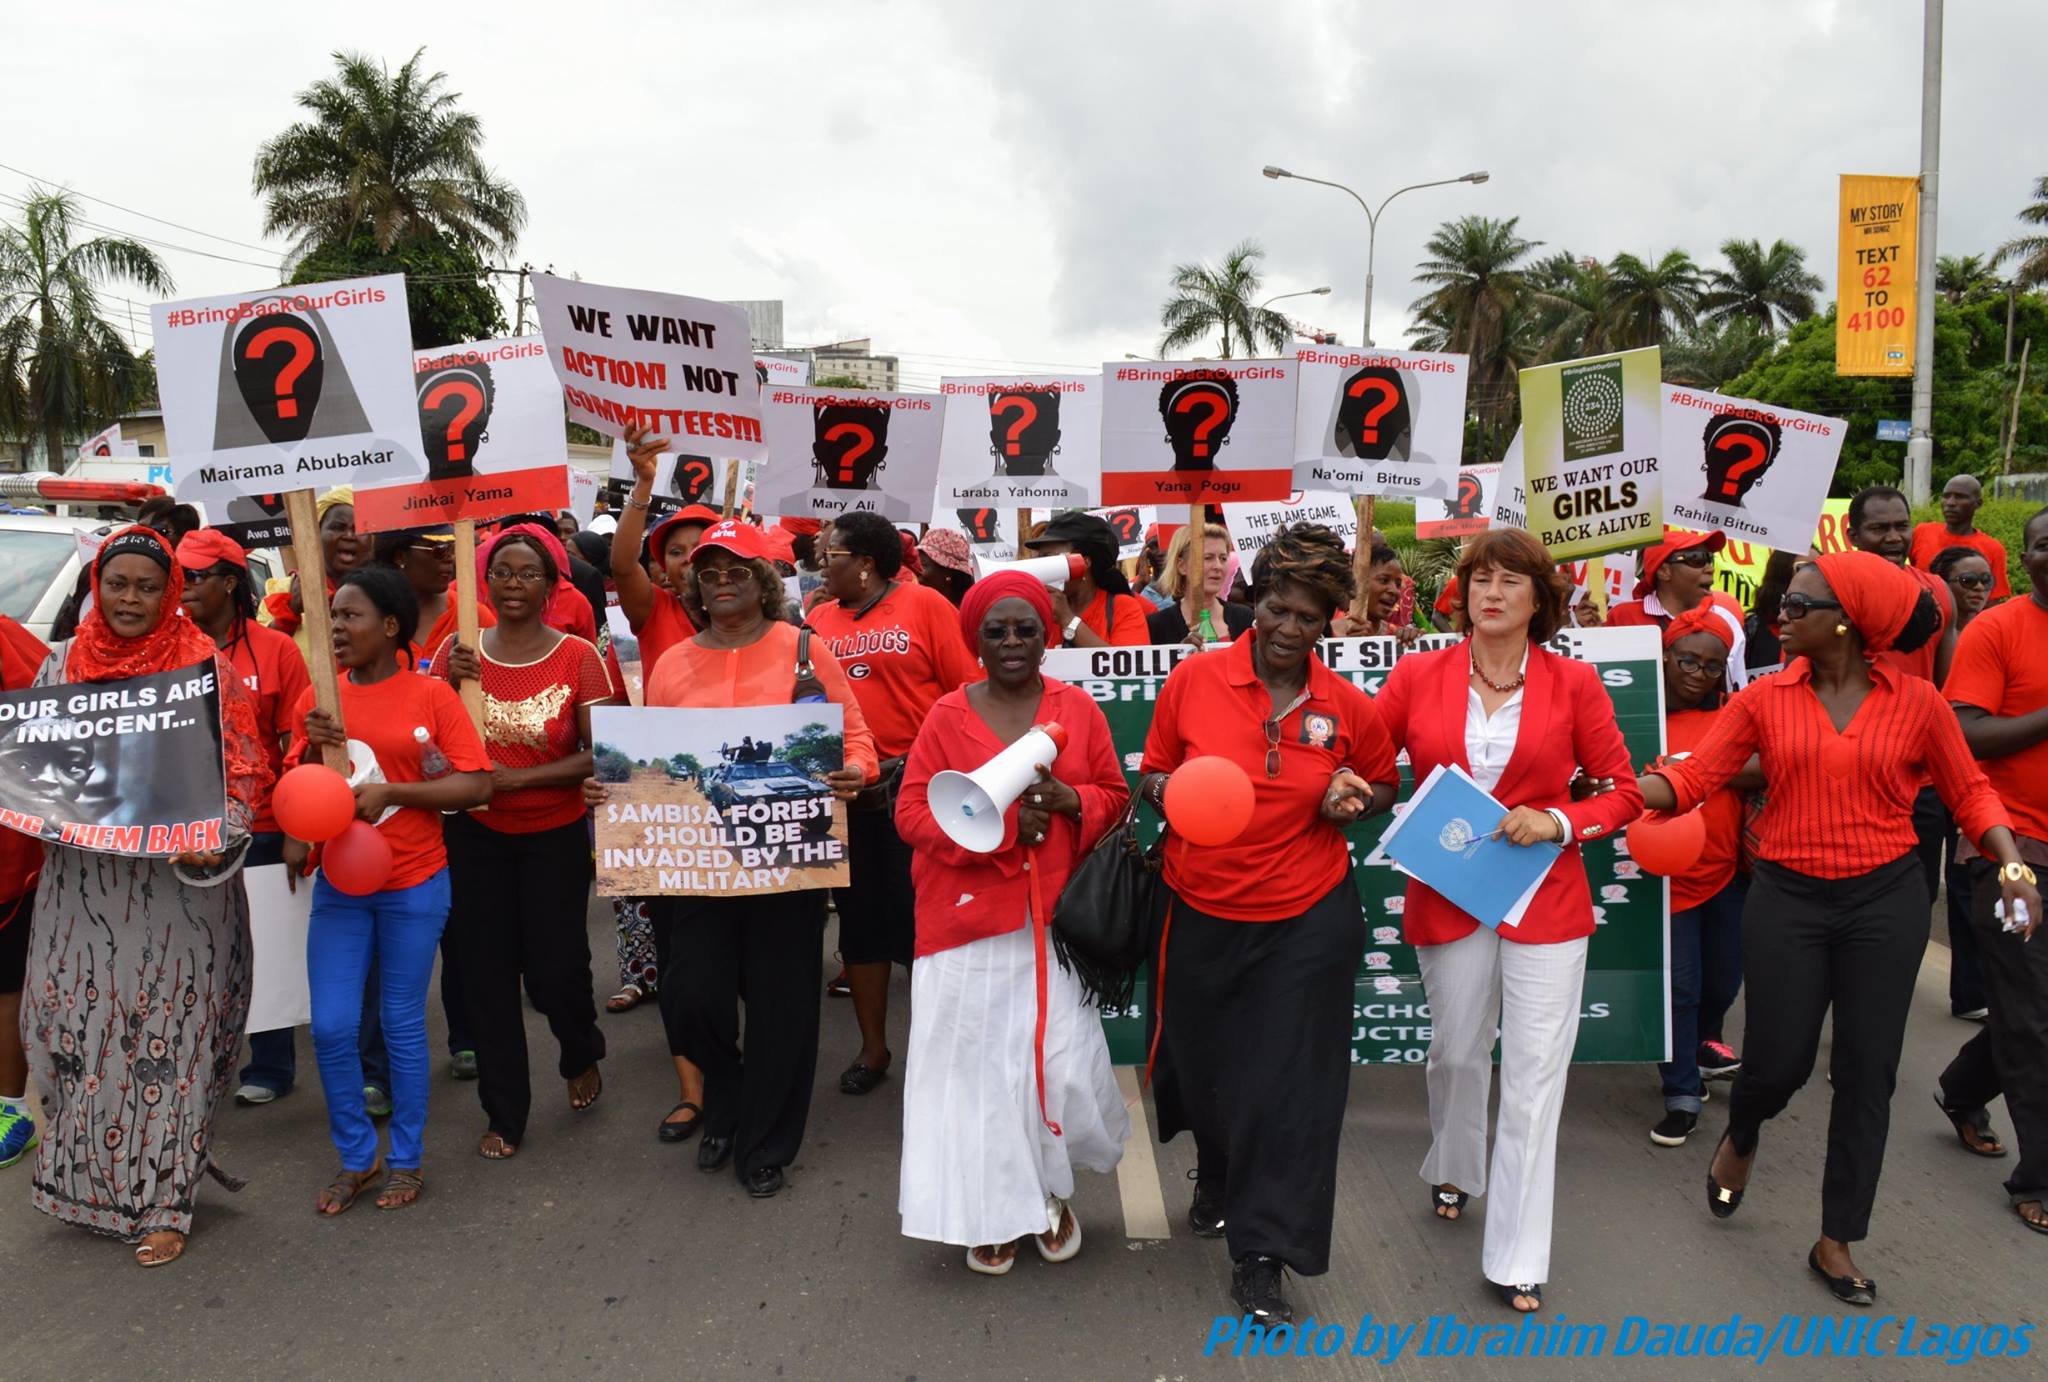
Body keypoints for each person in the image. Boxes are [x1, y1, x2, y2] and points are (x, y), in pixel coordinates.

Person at [1637, 549, 2037, 1306]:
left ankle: (1836, 1238)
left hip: (1885, 901)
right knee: (1777, 1065)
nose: (1777, 617)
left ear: (1846, 621)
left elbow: (1971, 792)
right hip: (1787, 897)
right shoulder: (1762, 700)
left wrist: (2010, 861)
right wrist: (1623, 797)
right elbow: (1695, 776)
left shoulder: (1918, 702)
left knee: (1867, 1072)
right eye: (1781, 606)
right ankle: (1744, 1132)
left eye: (1796, 607)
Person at [1372, 528, 1644, 1315]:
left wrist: (1558, 822)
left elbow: (1622, 791)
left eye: (1509, 582)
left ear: (1539, 600)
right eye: (1479, 579)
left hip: (1546, 903)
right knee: (1457, 1054)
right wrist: (1351, 784)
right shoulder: (1420, 674)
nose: (1490, 593)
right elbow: (1364, 751)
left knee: (1533, 1081)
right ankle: (1456, 1162)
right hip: (1450, 896)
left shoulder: (1575, 685)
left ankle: (1519, 1254)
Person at [1137, 522, 1398, 1324]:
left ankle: (1263, 1254)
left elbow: (1384, 783)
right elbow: (1151, 773)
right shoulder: (1195, 683)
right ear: (1253, 603)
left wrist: (1352, 795)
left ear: (1328, 624)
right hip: (1200, 908)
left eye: (1309, 618)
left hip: (1307, 918)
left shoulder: (1347, 704)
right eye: (1277, 610)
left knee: (1290, 1092)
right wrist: (1177, 795)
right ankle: (1217, 1166)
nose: (1288, 629)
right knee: (1207, 1071)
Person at [589, 518, 876, 1198]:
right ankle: (727, 1093)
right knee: (692, 1001)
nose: (722, 583)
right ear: (694, 586)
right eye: (709, 573)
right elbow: (651, 757)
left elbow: (858, 738)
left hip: (786, 861)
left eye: (737, 571)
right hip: (693, 870)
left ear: (764, 582)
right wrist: (613, 786)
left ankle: (765, 1144)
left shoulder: (805, 649)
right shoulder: (672, 663)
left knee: (782, 1010)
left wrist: (855, 772)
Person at [19, 527, 273, 1266]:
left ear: (170, 595)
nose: (130, 599)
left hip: (175, 903)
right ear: (97, 585)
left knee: (168, 1046)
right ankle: (89, 1189)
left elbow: (243, 775)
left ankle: (166, 1200)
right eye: (118, 584)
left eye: (147, 587)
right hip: (81, 888)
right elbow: (32, 768)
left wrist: (217, 834)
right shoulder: (61, 663)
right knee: (72, 1035)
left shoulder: (203, 667)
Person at [894, 571, 1130, 1272]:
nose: (1012, 641)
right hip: (965, 928)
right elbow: (910, 813)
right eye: (996, 630)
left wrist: (1068, 800)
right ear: (976, 640)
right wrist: (998, 829)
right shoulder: (945, 716)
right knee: (975, 1079)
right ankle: (989, 1212)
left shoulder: (1076, 709)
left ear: (1046, 633)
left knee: (1053, 1072)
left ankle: (1048, 1196)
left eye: (1025, 627)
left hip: (1053, 925)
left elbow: (1116, 798)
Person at [284, 566, 492, 1215]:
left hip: (414, 882)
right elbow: (302, 790)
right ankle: (357, 1158)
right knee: (333, 1026)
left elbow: (477, 784)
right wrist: (310, 757)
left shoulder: (430, 695)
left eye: (352, 616)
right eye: (333, 616)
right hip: (341, 886)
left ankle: (405, 1160)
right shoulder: (320, 699)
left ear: (391, 626)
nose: (337, 627)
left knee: (402, 1024)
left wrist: (394, 793)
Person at [435, 526, 614, 1160]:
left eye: (528, 573)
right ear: (486, 583)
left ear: (551, 585)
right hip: (475, 837)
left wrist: (514, 778)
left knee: (556, 971)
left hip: (554, 837)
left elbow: (600, 757)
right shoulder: (456, 655)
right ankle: (504, 1110)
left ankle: (579, 1050)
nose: (514, 583)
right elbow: (430, 750)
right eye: (503, 572)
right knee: (485, 978)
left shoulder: (577, 657)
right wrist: (451, 687)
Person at [805, 511, 976, 1097]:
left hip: (918, 791)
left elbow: (964, 690)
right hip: (847, 795)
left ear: (866, 563)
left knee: (922, 924)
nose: (820, 565)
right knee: (860, 928)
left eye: (830, 556)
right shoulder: (816, 619)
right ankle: (873, 1049)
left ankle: (941, 1053)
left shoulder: (926, 605)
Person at [1934, 505, 2048, 1227]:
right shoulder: (1997, 630)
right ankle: (2037, 1177)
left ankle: (1960, 1083)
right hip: (2010, 846)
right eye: (2043, 543)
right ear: (2025, 556)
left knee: (2027, 1010)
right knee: (2034, 1016)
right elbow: (1966, 734)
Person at [174, 529, 316, 1107]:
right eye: (177, 577)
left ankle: (273, 1064)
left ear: (230, 583)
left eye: (195, 577)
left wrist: (297, 828)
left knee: (265, 945)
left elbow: (299, 741)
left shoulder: (277, 650)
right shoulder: (162, 650)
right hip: (183, 831)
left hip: (260, 827)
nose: (181, 588)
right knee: (194, 949)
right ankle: (199, 1065)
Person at [603, 430, 717, 1131]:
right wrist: (644, 487)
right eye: (676, 552)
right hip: (665, 794)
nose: (692, 563)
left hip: (735, 798)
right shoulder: (655, 612)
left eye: (704, 551)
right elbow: (619, 562)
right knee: (680, 954)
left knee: (732, 955)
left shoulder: (764, 623)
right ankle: (693, 1087)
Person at [1644, 607, 1759, 1147]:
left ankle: (1697, 1045)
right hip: (1666, 882)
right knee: (1682, 988)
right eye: (1686, 659)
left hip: (1727, 874)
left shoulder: (1735, 714)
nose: (1697, 673)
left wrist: (1692, 770)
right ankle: (1682, 1093)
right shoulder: (1639, 715)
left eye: (1712, 667)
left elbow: (1767, 764)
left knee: (1723, 981)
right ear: (1664, 657)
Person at [1930, 544, 1999, 1019]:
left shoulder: (1997, 630)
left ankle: (1972, 992)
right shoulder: (1931, 631)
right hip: (1924, 774)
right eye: (1966, 581)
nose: (1977, 590)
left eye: (1984, 581)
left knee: (1964, 882)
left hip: (1969, 779)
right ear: (1942, 584)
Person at [0, 614, 49, 1172]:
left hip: (10, 859)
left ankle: (12, 1108)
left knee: (6, 985)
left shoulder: (7, 638)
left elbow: (48, 716)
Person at [1606, 529, 1748, 687]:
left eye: (1710, 559)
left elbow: (1735, 690)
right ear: (1664, 571)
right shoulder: (1623, 616)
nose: (1710, 569)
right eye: (1697, 559)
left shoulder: (1725, 620)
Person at [262, 486, 370, 652]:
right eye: (338, 527)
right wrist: (289, 612)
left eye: (360, 528)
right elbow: (260, 656)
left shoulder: (386, 592)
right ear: (316, 533)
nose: (349, 536)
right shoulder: (282, 590)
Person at [1022, 511, 1150, 647]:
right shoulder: (1038, 610)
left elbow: (1125, 664)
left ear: (1084, 562)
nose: (1042, 565)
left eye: (1049, 557)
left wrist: (1067, 619)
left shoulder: (1123, 608)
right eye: (1040, 558)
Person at [1147, 521, 1252, 647]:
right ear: (1182, 566)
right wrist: (1179, 654)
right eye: (1207, 558)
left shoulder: (1246, 618)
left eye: (1223, 558)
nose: (1218, 566)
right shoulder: (1158, 626)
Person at [1912, 474, 2011, 599]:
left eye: (1960, 497)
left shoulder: (1993, 549)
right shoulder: (1922, 532)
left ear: (1978, 503)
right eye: (1946, 496)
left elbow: (1992, 600)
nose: (1950, 503)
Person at [1332, 541, 1420, 641]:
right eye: (1384, 580)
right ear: (1357, 581)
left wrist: (1417, 641)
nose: (1394, 591)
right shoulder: (1323, 635)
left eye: (1398, 584)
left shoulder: (1398, 637)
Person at [914, 527, 976, 607]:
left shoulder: (967, 615)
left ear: (948, 572)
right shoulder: (918, 606)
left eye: (924, 565)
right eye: (917, 564)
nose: (916, 571)